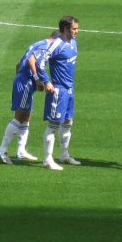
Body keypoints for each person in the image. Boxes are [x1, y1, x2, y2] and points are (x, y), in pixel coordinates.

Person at [0, 31, 58, 164]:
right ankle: (2, 149)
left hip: (24, 81)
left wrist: (18, 79)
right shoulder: (45, 46)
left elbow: (18, 64)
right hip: (26, 81)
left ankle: (21, 150)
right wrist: (36, 79)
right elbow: (31, 60)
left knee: (27, 116)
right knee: (19, 116)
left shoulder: (37, 44)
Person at [40, 16, 81, 171]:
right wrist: (46, 81)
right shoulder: (57, 44)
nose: (77, 31)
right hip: (59, 90)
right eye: (74, 29)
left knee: (68, 122)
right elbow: (40, 62)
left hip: (70, 89)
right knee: (54, 124)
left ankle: (64, 155)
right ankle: (47, 160)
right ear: (65, 29)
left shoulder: (74, 43)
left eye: (77, 28)